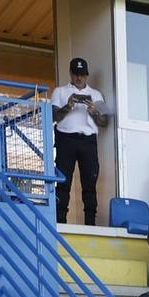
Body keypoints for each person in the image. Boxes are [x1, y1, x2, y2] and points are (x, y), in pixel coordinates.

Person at [53, 58, 109, 225]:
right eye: (76, 74)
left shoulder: (96, 94)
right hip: (65, 138)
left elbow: (105, 122)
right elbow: (54, 116)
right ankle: (60, 221)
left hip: (88, 140)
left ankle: (90, 223)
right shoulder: (60, 91)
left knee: (90, 183)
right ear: (70, 74)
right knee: (63, 181)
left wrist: (94, 112)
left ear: (87, 75)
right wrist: (68, 106)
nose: (79, 78)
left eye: (82, 75)